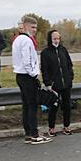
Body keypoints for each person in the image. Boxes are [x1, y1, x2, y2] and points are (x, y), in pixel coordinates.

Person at [12, 16, 52, 145]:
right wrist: (34, 75)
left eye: (36, 27)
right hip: (27, 76)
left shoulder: (17, 39)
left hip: (20, 75)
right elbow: (27, 60)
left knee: (26, 106)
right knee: (32, 106)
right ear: (25, 26)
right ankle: (34, 135)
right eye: (32, 27)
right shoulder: (26, 40)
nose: (34, 30)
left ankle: (28, 134)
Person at [41, 30, 75, 136]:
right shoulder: (45, 53)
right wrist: (48, 83)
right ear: (50, 39)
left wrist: (70, 77)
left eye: (58, 38)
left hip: (66, 84)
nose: (57, 40)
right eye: (54, 38)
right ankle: (51, 128)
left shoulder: (63, 50)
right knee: (54, 107)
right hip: (54, 85)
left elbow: (69, 65)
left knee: (67, 106)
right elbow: (44, 69)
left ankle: (67, 127)